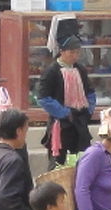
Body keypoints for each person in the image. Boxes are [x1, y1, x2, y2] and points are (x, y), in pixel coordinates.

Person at [39, 16, 95, 167]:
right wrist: (64, 112)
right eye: (72, 52)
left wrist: (89, 109)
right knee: (58, 164)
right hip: (61, 125)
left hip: (80, 123)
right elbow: (43, 98)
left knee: (82, 162)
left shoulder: (80, 69)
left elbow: (90, 92)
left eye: (78, 52)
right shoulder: (51, 71)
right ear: (62, 51)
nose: (75, 56)